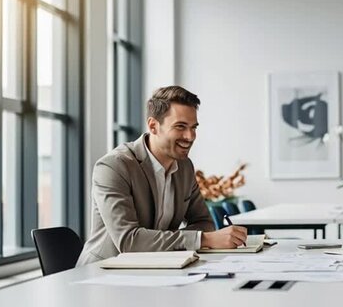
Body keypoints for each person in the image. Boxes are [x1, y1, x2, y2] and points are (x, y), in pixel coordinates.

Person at [77, 86, 247, 266]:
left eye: (193, 127)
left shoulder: (184, 166)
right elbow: (129, 241)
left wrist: (200, 237)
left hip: (158, 269)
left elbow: (203, 221)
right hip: (103, 273)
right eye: (180, 127)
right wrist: (202, 239)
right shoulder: (114, 166)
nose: (190, 136)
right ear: (153, 126)